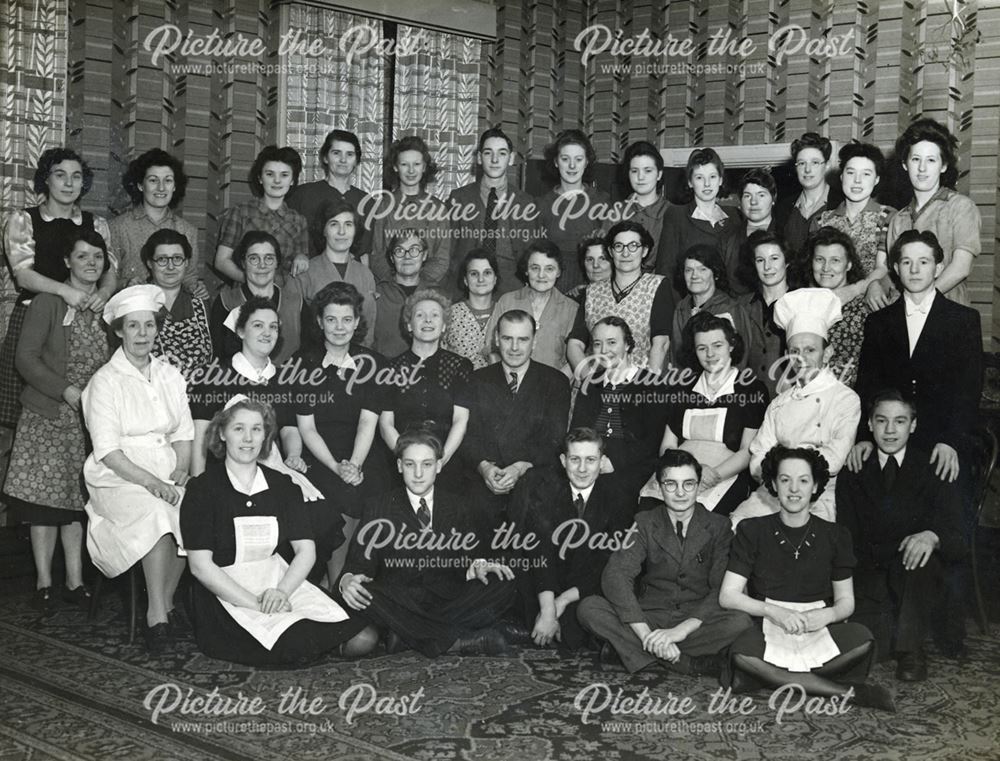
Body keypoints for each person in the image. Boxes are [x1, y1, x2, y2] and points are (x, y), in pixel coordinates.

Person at [181, 396, 378, 666]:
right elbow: (200, 567)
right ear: (222, 434)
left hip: (276, 581)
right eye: (238, 428)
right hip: (225, 594)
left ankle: (315, 643)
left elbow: (305, 551)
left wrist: (281, 592)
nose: (248, 438)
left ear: (266, 437)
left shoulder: (282, 485)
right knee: (295, 645)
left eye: (257, 429)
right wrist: (255, 604)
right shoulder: (202, 489)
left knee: (364, 638)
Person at [719, 446, 894, 711]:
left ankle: (772, 677)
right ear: (774, 485)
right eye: (785, 480)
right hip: (769, 623)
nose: (794, 489)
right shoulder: (752, 530)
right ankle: (846, 692)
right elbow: (728, 595)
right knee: (741, 652)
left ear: (815, 486)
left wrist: (829, 616)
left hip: (818, 625)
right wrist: (775, 612)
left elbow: (846, 601)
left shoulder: (836, 535)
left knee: (863, 638)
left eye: (803, 480)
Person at [3, 230, 111, 611]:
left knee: (77, 504)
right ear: (67, 262)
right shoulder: (47, 302)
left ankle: (75, 579)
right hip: (48, 415)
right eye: (82, 256)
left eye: (97, 256)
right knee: (44, 507)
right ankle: (45, 581)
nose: (91, 263)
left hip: (92, 421)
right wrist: (64, 390)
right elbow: (25, 359)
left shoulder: (106, 309)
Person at [82, 285, 193, 653]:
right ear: (118, 330)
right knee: (157, 511)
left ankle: (166, 598)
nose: (143, 334)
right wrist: (151, 483)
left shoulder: (170, 375)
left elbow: (183, 432)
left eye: (149, 325)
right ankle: (157, 614)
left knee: (195, 509)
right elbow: (109, 451)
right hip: (118, 478)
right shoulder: (105, 382)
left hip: (165, 466)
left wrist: (180, 470)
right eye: (133, 326)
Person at [338, 429, 517, 656]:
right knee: (363, 590)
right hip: (400, 598)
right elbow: (358, 564)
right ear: (400, 466)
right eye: (411, 465)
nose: (419, 474)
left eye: (427, 464)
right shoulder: (379, 506)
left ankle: (407, 635)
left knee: (504, 580)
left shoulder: (457, 505)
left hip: (446, 598)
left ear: (439, 466)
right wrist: (347, 580)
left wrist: (479, 564)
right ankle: (453, 642)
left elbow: (471, 556)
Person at [577, 449, 752, 675]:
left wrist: (680, 631)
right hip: (651, 616)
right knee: (589, 608)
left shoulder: (719, 526)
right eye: (670, 484)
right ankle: (685, 662)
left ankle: (630, 651)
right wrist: (644, 633)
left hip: (695, 618)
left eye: (688, 484)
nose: (680, 492)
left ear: (699, 486)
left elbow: (722, 587)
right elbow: (616, 575)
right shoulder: (645, 522)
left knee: (740, 622)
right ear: (659, 488)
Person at [836, 391, 965, 681]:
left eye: (900, 421)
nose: (890, 430)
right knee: (853, 649)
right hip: (869, 573)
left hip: (915, 576)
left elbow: (958, 536)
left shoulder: (932, 466)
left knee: (919, 557)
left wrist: (932, 536)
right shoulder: (855, 469)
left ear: (914, 425)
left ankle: (911, 652)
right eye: (881, 421)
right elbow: (846, 535)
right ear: (869, 424)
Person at [852, 229, 983, 484]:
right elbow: (867, 386)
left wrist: (951, 441)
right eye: (906, 262)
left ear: (938, 267)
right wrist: (864, 438)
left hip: (942, 442)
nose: (914, 270)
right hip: (888, 439)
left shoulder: (963, 320)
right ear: (896, 269)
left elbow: (968, 390)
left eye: (923, 262)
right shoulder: (878, 322)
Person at [1, 147, 115, 428]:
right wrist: (66, 292)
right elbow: (23, 276)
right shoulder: (23, 220)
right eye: (60, 175)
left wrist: (102, 295)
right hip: (35, 319)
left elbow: (111, 273)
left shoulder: (96, 224)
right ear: (46, 180)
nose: (68, 183)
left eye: (76, 177)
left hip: (86, 321)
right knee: (19, 416)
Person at [729, 288, 860, 526]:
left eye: (810, 350)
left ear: (827, 353)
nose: (801, 359)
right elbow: (758, 458)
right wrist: (780, 481)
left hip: (819, 495)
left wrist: (784, 469)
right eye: (794, 351)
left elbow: (834, 458)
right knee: (738, 524)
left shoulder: (845, 399)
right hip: (774, 492)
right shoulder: (779, 402)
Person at [507, 428, 635, 650]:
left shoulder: (618, 497)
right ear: (563, 460)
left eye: (591, 460)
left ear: (602, 462)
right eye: (575, 460)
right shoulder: (546, 490)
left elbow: (608, 562)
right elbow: (541, 553)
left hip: (586, 586)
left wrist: (563, 601)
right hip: (546, 581)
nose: (583, 469)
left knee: (579, 624)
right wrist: (548, 610)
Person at [293, 282, 385, 585]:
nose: (339, 327)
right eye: (331, 319)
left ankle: (347, 582)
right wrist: (336, 467)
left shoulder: (372, 364)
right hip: (318, 452)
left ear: (357, 322)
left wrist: (354, 465)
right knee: (337, 492)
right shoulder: (302, 363)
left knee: (365, 491)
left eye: (347, 319)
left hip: (361, 451)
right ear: (319, 322)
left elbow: (367, 423)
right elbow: (306, 427)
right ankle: (334, 585)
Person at [642, 312, 768, 516]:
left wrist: (712, 475)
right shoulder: (682, 388)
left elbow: (747, 451)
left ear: (732, 345)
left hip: (724, 474)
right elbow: (668, 445)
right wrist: (683, 472)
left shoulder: (751, 390)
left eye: (717, 345)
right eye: (702, 348)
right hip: (677, 470)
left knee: (698, 520)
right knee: (650, 512)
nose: (710, 354)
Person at [458, 310, 571, 524]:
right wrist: (484, 467)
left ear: (534, 342)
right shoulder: (475, 380)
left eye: (523, 339)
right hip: (485, 477)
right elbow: (467, 436)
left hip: (533, 475)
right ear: (496, 339)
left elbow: (554, 440)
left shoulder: (555, 382)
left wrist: (519, 468)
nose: (515, 347)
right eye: (507, 338)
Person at [191, 297, 303, 478]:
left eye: (273, 327)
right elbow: (200, 433)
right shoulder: (214, 375)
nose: (267, 333)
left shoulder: (283, 378)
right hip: (223, 472)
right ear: (241, 331)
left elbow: (289, 428)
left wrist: (293, 456)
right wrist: (197, 481)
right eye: (258, 325)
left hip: (270, 470)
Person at [571, 317, 670, 504]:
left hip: (632, 467)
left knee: (610, 494)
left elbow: (651, 442)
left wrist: (614, 462)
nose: (604, 351)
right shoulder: (590, 383)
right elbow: (578, 431)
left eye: (612, 343)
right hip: (589, 461)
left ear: (627, 345)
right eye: (598, 344)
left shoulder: (651, 385)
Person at [379, 289, 472, 487]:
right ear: (409, 325)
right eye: (420, 315)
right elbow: (386, 424)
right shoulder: (390, 368)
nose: (428, 320)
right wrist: (408, 461)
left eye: (435, 315)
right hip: (401, 462)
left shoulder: (460, 366)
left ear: (444, 325)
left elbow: (460, 420)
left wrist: (440, 461)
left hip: (446, 460)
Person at [886, 118, 981, 307]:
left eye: (931, 160)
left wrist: (921, 302)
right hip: (906, 315)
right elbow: (894, 273)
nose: (922, 168)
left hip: (949, 311)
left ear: (943, 165)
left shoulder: (960, 207)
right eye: (915, 159)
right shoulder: (898, 219)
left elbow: (961, 267)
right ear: (905, 164)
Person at [567, 220, 673, 372]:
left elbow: (661, 343)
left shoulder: (656, 285)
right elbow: (575, 343)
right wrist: (588, 380)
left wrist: (648, 385)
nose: (625, 253)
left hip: (638, 383)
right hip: (598, 382)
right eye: (619, 246)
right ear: (610, 251)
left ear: (644, 251)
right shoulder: (593, 291)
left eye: (633, 246)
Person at [447, 126, 540, 296]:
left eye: (502, 153)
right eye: (488, 153)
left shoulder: (525, 201)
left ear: (511, 159)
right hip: (468, 285)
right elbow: (449, 249)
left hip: (512, 286)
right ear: (479, 158)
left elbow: (529, 253)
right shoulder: (459, 198)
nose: (495, 159)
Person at [108, 148, 207, 297]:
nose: (161, 188)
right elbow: (105, 280)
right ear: (141, 185)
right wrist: (125, 284)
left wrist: (196, 288)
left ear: (174, 186)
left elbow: (189, 276)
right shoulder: (117, 227)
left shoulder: (187, 231)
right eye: (153, 180)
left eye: (167, 181)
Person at [813, 141, 894, 310]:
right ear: (842, 176)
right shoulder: (821, 220)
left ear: (876, 179)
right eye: (851, 173)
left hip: (872, 304)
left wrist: (853, 291)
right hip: (828, 305)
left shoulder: (887, 216)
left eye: (866, 174)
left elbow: (883, 267)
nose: (857, 181)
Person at [208, 231, 308, 365]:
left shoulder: (296, 303)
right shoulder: (227, 302)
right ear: (243, 263)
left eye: (269, 258)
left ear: (277, 263)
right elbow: (219, 357)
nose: (262, 265)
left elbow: (308, 352)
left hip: (289, 380)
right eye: (254, 259)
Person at [214, 145, 310, 283]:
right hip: (245, 295)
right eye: (270, 174)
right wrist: (252, 282)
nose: (277, 181)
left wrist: (302, 257)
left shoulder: (298, 220)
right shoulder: (241, 212)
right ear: (260, 178)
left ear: (293, 180)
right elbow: (222, 261)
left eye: (284, 175)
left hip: (283, 297)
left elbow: (302, 262)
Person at [481, 239, 579, 374]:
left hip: (552, 388)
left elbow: (573, 360)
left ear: (559, 272)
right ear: (526, 270)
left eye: (549, 269)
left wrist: (558, 386)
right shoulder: (507, 301)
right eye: (535, 268)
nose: (541, 275)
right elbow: (491, 349)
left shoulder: (572, 309)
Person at [367, 135, 450, 288]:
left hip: (427, 289)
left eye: (417, 164)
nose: (411, 170)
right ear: (395, 167)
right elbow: (377, 255)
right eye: (404, 164)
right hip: (390, 288)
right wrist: (396, 284)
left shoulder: (438, 208)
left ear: (424, 167)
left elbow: (442, 258)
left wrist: (418, 283)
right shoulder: (383, 206)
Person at [656, 147, 741, 295]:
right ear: (690, 182)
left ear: (720, 180)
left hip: (728, 306)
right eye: (699, 177)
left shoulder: (734, 216)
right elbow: (665, 271)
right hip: (689, 306)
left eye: (712, 177)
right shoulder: (676, 215)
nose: (707, 184)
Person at [294, 199, 377, 346]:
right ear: (323, 230)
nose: (342, 232)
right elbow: (293, 329)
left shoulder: (366, 274)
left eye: (348, 224)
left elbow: (369, 329)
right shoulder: (305, 273)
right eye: (334, 224)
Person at [538, 129, 613, 292]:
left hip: (594, 286)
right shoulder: (542, 204)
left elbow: (610, 256)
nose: (572, 166)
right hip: (552, 287)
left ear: (586, 162)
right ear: (556, 162)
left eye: (578, 159)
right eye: (565, 159)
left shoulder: (601, 201)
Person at [286, 129, 373, 258]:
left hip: (351, 275)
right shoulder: (302, 195)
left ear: (356, 161)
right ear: (325, 157)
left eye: (349, 154)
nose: (343, 160)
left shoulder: (366, 202)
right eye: (336, 153)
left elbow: (365, 253)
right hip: (310, 273)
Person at [803, 227, 869, 387]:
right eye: (819, 259)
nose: (826, 268)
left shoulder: (864, 309)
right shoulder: (803, 304)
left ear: (849, 265)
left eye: (835, 260)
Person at [670, 244, 754, 369]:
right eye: (689, 270)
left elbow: (741, 358)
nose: (694, 276)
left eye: (702, 269)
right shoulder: (681, 309)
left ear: (715, 274)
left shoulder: (731, 308)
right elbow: (675, 355)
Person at [141, 229, 213, 373]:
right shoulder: (139, 303)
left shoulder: (200, 303)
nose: (171, 266)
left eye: (177, 258)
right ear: (150, 263)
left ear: (186, 262)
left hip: (198, 391)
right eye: (162, 259)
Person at [737, 230, 790, 397]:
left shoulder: (801, 302)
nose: (767, 267)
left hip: (788, 398)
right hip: (749, 400)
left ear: (787, 261)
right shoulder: (741, 306)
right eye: (760, 260)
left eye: (774, 258)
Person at [774, 132, 841, 257]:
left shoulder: (841, 203)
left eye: (815, 162)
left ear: (826, 166)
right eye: (801, 163)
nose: (807, 170)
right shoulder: (783, 206)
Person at [373, 229, 430, 357]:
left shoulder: (438, 295)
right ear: (392, 258)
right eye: (399, 251)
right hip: (384, 372)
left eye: (414, 250)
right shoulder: (376, 294)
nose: (407, 256)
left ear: (424, 255)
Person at [441, 249, 499, 370]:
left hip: (497, 386)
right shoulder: (450, 314)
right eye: (474, 273)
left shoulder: (505, 311)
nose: (481, 279)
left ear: (495, 279)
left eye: (487, 273)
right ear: (465, 280)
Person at [617, 141, 668, 270]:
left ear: (659, 174)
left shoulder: (672, 213)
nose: (640, 177)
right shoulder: (616, 212)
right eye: (634, 171)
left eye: (648, 170)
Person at [566, 236, 612, 304]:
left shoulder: (627, 298)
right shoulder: (573, 298)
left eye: (602, 259)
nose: (595, 265)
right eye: (590, 259)